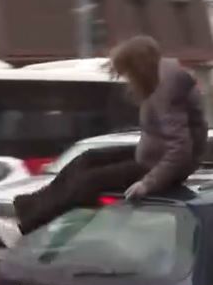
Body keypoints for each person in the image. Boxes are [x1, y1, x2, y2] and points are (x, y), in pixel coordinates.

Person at [13, 35, 208, 235]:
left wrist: (147, 183)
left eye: (129, 74)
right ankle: (30, 204)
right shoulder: (158, 78)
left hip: (160, 168)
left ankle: (33, 223)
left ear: (138, 68)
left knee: (90, 181)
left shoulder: (166, 91)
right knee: (86, 159)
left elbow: (181, 151)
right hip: (151, 156)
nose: (129, 81)